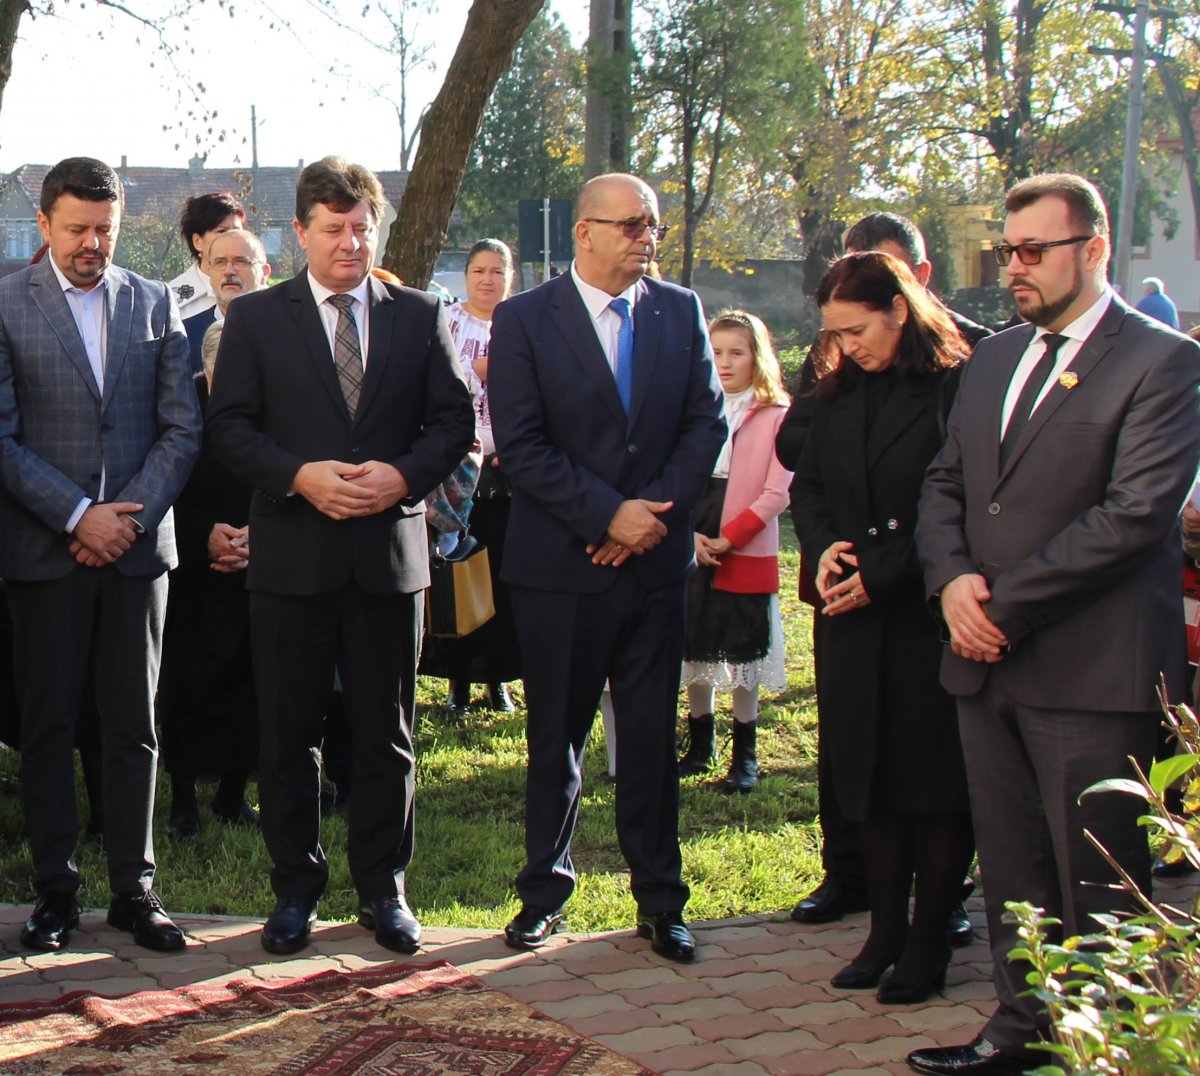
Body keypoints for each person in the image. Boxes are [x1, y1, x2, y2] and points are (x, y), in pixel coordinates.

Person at [909, 173, 1200, 1075]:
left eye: (1035, 250)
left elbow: (1133, 516)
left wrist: (1001, 605)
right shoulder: (993, 358)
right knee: (1015, 866)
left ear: (1096, 248)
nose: (1015, 269)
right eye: (1008, 252)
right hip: (984, 660)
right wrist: (953, 582)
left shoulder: (1161, 361)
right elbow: (946, 484)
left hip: (1091, 666)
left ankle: (1105, 1046)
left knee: (1098, 882)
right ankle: (1018, 1028)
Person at [204, 156, 474, 957]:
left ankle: (384, 889)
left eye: (363, 227)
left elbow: (453, 425)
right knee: (289, 734)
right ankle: (294, 892)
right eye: (335, 229)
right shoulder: (256, 321)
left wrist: (402, 476)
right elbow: (230, 430)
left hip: (389, 560)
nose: (352, 243)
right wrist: (299, 477)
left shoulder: (420, 315)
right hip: (292, 558)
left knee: (385, 733)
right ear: (300, 233)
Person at [488, 173, 726, 962]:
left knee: (653, 739)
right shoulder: (526, 319)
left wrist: (647, 518)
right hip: (561, 568)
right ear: (584, 232)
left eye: (653, 226)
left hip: (653, 569)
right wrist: (604, 515)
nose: (646, 239)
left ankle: (661, 898)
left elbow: (705, 424)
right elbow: (521, 444)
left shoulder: (680, 309)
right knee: (556, 737)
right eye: (630, 226)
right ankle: (542, 895)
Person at [0, 157, 202, 953]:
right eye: (78, 229)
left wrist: (126, 519)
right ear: (45, 223)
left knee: (134, 724)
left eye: (106, 230)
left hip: (136, 553)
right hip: (44, 553)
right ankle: (55, 891)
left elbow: (183, 428)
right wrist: (79, 515)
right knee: (48, 726)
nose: (93, 244)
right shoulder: (6, 305)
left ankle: (134, 889)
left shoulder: (154, 303)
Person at [781, 212, 986, 943]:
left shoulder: (957, 384)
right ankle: (879, 926)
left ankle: (931, 927)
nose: (843, 347)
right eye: (834, 333)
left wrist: (885, 570)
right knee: (859, 763)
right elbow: (807, 482)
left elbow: (954, 498)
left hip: (922, 611)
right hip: (851, 609)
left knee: (925, 778)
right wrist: (828, 543)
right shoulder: (839, 387)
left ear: (900, 309)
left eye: (856, 331)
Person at [158, 229, 272, 841]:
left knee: (253, 681)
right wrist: (204, 537)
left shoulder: (274, 407)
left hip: (266, 556)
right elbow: (166, 480)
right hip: (195, 565)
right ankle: (181, 801)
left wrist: (260, 535)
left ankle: (233, 792)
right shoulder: (184, 408)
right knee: (188, 681)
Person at [678, 310, 792, 792]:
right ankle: (699, 742)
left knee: (743, 643)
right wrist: (689, 534)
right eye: (717, 352)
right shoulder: (694, 408)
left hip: (744, 537)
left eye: (736, 353)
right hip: (696, 523)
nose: (724, 363)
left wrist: (734, 535)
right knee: (695, 640)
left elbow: (778, 489)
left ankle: (745, 752)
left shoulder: (774, 414)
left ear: (756, 356)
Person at [420, 238, 522, 714]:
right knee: (459, 572)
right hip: (457, 473)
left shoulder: (521, 324)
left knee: (502, 575)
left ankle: (497, 678)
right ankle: (458, 679)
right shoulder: (446, 320)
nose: (488, 279)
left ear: (510, 276)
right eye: (479, 270)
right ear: (467, 276)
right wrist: (478, 370)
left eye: (497, 271)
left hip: (511, 473)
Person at [171, 192, 246, 338]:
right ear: (198, 241)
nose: (232, 239)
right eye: (222, 232)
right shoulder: (171, 302)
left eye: (237, 232)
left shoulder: (259, 292)